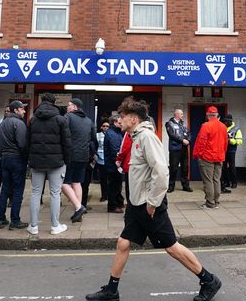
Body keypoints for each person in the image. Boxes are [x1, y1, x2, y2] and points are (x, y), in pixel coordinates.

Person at [85, 97, 222, 301]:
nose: (119, 120)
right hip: (136, 203)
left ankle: (209, 280)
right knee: (123, 242)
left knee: (171, 247)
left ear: (133, 119)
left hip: (149, 205)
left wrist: (152, 203)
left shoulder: (147, 137)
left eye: (122, 117)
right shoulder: (135, 136)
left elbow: (161, 172)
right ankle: (112, 290)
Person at [26, 92, 72, 235]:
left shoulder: (33, 120)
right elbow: (67, 143)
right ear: (54, 103)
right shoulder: (60, 119)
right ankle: (54, 226)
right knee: (55, 194)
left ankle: (33, 226)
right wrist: (67, 160)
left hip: (36, 162)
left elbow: (27, 142)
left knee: (35, 193)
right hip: (56, 163)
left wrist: (29, 159)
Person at [0, 101, 30, 230]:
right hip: (17, 159)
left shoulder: (2, 124)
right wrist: (26, 158)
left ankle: (1, 218)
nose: (24, 111)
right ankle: (15, 220)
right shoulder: (19, 123)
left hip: (4, 159)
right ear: (16, 110)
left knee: (5, 189)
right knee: (17, 190)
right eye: (22, 109)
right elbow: (22, 144)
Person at [63, 98, 97, 222]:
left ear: (75, 107)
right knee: (77, 182)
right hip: (84, 156)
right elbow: (94, 140)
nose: (67, 107)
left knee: (64, 183)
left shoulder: (68, 117)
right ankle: (78, 213)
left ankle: (78, 207)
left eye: (69, 105)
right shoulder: (89, 121)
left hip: (70, 156)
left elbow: (63, 135)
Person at [193, 106, 228, 209]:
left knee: (208, 180)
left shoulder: (206, 126)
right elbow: (225, 143)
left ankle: (210, 203)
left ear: (208, 115)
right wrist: (223, 153)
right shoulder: (223, 126)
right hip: (219, 156)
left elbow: (201, 142)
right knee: (216, 180)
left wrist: (198, 155)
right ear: (217, 115)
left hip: (207, 157)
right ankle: (216, 201)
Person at [165, 109, 192, 193]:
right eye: (181, 114)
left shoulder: (183, 124)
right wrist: (182, 140)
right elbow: (172, 135)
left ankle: (185, 186)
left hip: (184, 149)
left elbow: (188, 133)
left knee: (185, 168)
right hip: (174, 149)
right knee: (173, 168)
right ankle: (171, 186)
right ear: (176, 114)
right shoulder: (170, 123)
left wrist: (188, 140)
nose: (182, 115)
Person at [103, 115, 125, 213]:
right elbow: (115, 150)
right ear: (115, 122)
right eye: (120, 123)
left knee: (117, 185)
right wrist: (119, 163)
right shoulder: (113, 134)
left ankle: (119, 202)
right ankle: (112, 206)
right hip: (113, 165)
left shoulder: (116, 132)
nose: (122, 124)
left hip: (114, 164)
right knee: (114, 186)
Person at [221, 114, 243, 193]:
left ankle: (234, 182)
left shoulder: (237, 129)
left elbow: (240, 141)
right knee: (223, 167)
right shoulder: (223, 128)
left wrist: (231, 141)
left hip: (231, 150)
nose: (225, 123)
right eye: (224, 121)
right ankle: (226, 182)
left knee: (231, 167)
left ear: (230, 121)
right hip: (223, 150)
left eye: (226, 121)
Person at [96, 122, 110, 202]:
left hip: (109, 159)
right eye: (104, 126)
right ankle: (104, 195)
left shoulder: (111, 134)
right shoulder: (98, 135)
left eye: (107, 126)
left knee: (110, 179)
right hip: (101, 159)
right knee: (103, 179)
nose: (105, 127)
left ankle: (109, 195)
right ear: (101, 127)